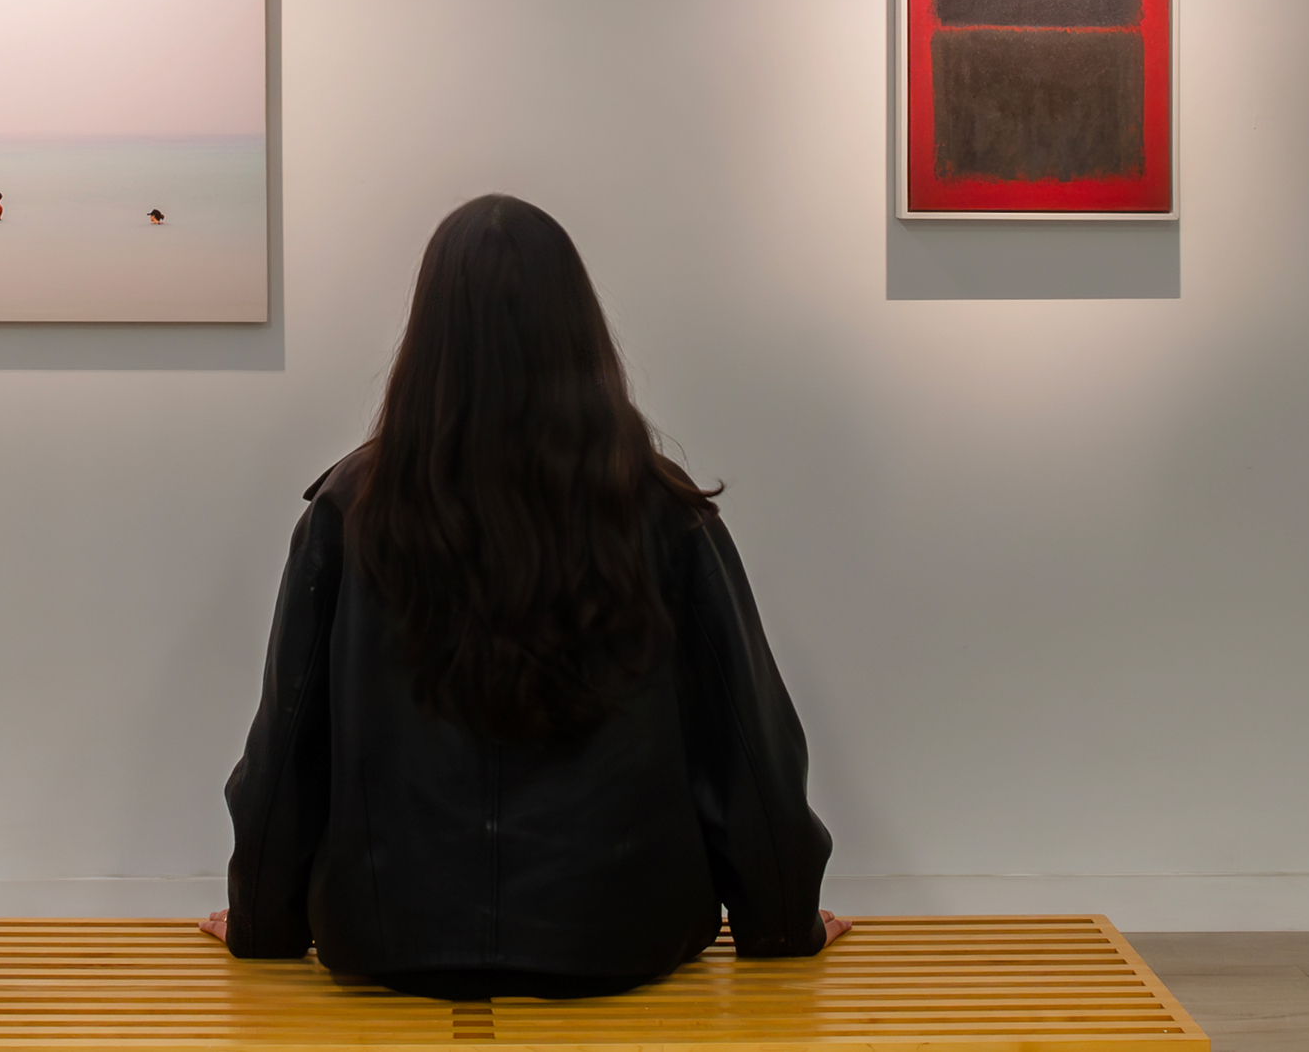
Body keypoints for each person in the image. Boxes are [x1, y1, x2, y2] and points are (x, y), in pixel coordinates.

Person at [211, 194, 840, 997]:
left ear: (428, 334)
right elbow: (749, 745)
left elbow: (286, 744)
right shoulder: (663, 510)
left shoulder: (350, 507)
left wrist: (261, 923)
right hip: (623, 939)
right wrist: (784, 921)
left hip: (389, 939)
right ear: (576, 327)